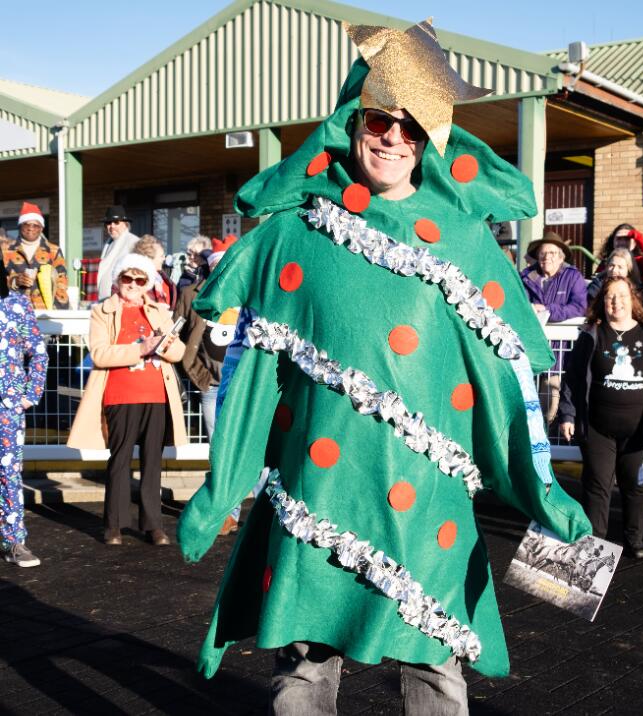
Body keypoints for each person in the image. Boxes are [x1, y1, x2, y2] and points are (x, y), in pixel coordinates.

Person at [176, 19, 591, 714]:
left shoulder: (467, 244)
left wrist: (543, 492)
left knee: (433, 678)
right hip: (319, 493)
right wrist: (221, 490)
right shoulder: (292, 235)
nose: (393, 138)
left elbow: (506, 385)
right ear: (350, 120)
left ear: (434, 139)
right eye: (378, 119)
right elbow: (253, 381)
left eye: (412, 126)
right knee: (304, 676)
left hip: (427, 509)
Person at [67, 254, 186, 546]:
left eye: (139, 279)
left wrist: (166, 345)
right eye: (127, 278)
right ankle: (114, 526)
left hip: (157, 395)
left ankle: (153, 525)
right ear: (118, 279)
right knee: (119, 460)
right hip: (120, 395)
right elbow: (99, 353)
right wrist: (142, 349)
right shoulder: (102, 312)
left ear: (147, 284)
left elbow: (180, 352)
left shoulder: (160, 311)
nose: (132, 284)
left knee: (153, 461)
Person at [559, 276, 643, 559]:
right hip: (598, 427)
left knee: (635, 484)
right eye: (610, 297)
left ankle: (634, 541)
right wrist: (568, 414)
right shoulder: (591, 334)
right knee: (597, 485)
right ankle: (595, 542)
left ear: (632, 299)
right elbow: (572, 378)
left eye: (621, 296)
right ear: (602, 302)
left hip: (637, 430)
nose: (616, 302)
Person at [173, 235, 240, 536]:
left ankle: (258, 512)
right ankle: (225, 513)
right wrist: (198, 377)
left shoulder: (248, 295)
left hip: (243, 386)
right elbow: (177, 336)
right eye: (216, 264)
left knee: (252, 449)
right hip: (211, 385)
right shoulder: (191, 294)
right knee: (219, 450)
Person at [0, 261, 48, 567]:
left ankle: (14, 540)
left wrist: (29, 396)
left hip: (8, 408)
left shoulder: (17, 305)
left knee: (8, 474)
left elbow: (38, 352)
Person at [520, 232, 587, 425]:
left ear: (561, 257)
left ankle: (545, 449)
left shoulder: (573, 277)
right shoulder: (524, 277)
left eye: (552, 253)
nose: (546, 257)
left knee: (548, 407)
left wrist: (547, 310)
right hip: (529, 352)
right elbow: (517, 305)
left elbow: (579, 307)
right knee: (527, 407)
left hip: (559, 354)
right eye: (542, 253)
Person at [3, 202, 69, 309]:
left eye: (35, 225)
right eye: (26, 224)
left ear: (41, 228)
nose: (30, 228)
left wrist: (56, 309)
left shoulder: (53, 250)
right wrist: (15, 281)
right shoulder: (6, 250)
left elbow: (61, 280)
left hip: (45, 310)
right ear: (20, 226)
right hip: (16, 311)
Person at [587, 248, 643, 313]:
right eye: (611, 265)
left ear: (628, 270)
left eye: (620, 267)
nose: (614, 270)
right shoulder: (596, 287)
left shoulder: (638, 291)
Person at [96, 206, 139, 301]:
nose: (112, 226)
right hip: (106, 301)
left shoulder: (134, 242)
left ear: (125, 224)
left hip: (122, 301)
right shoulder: (109, 243)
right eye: (108, 223)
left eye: (116, 222)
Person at [133, 235, 177, 310]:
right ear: (148, 259)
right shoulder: (132, 281)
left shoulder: (163, 280)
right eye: (161, 256)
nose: (164, 259)